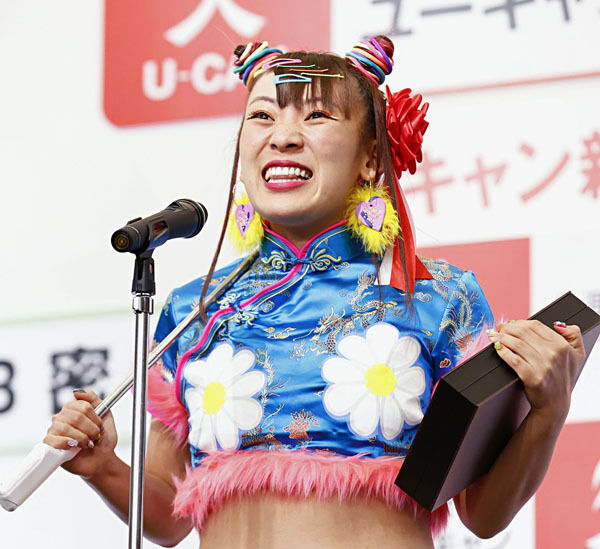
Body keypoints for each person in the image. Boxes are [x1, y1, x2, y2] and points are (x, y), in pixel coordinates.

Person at [44, 36, 585, 548]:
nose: (282, 136)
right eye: (263, 116)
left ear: (371, 157)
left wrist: (548, 409)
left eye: (317, 115)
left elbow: (481, 512)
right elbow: (167, 517)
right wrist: (104, 467)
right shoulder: (194, 310)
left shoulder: (437, 297)